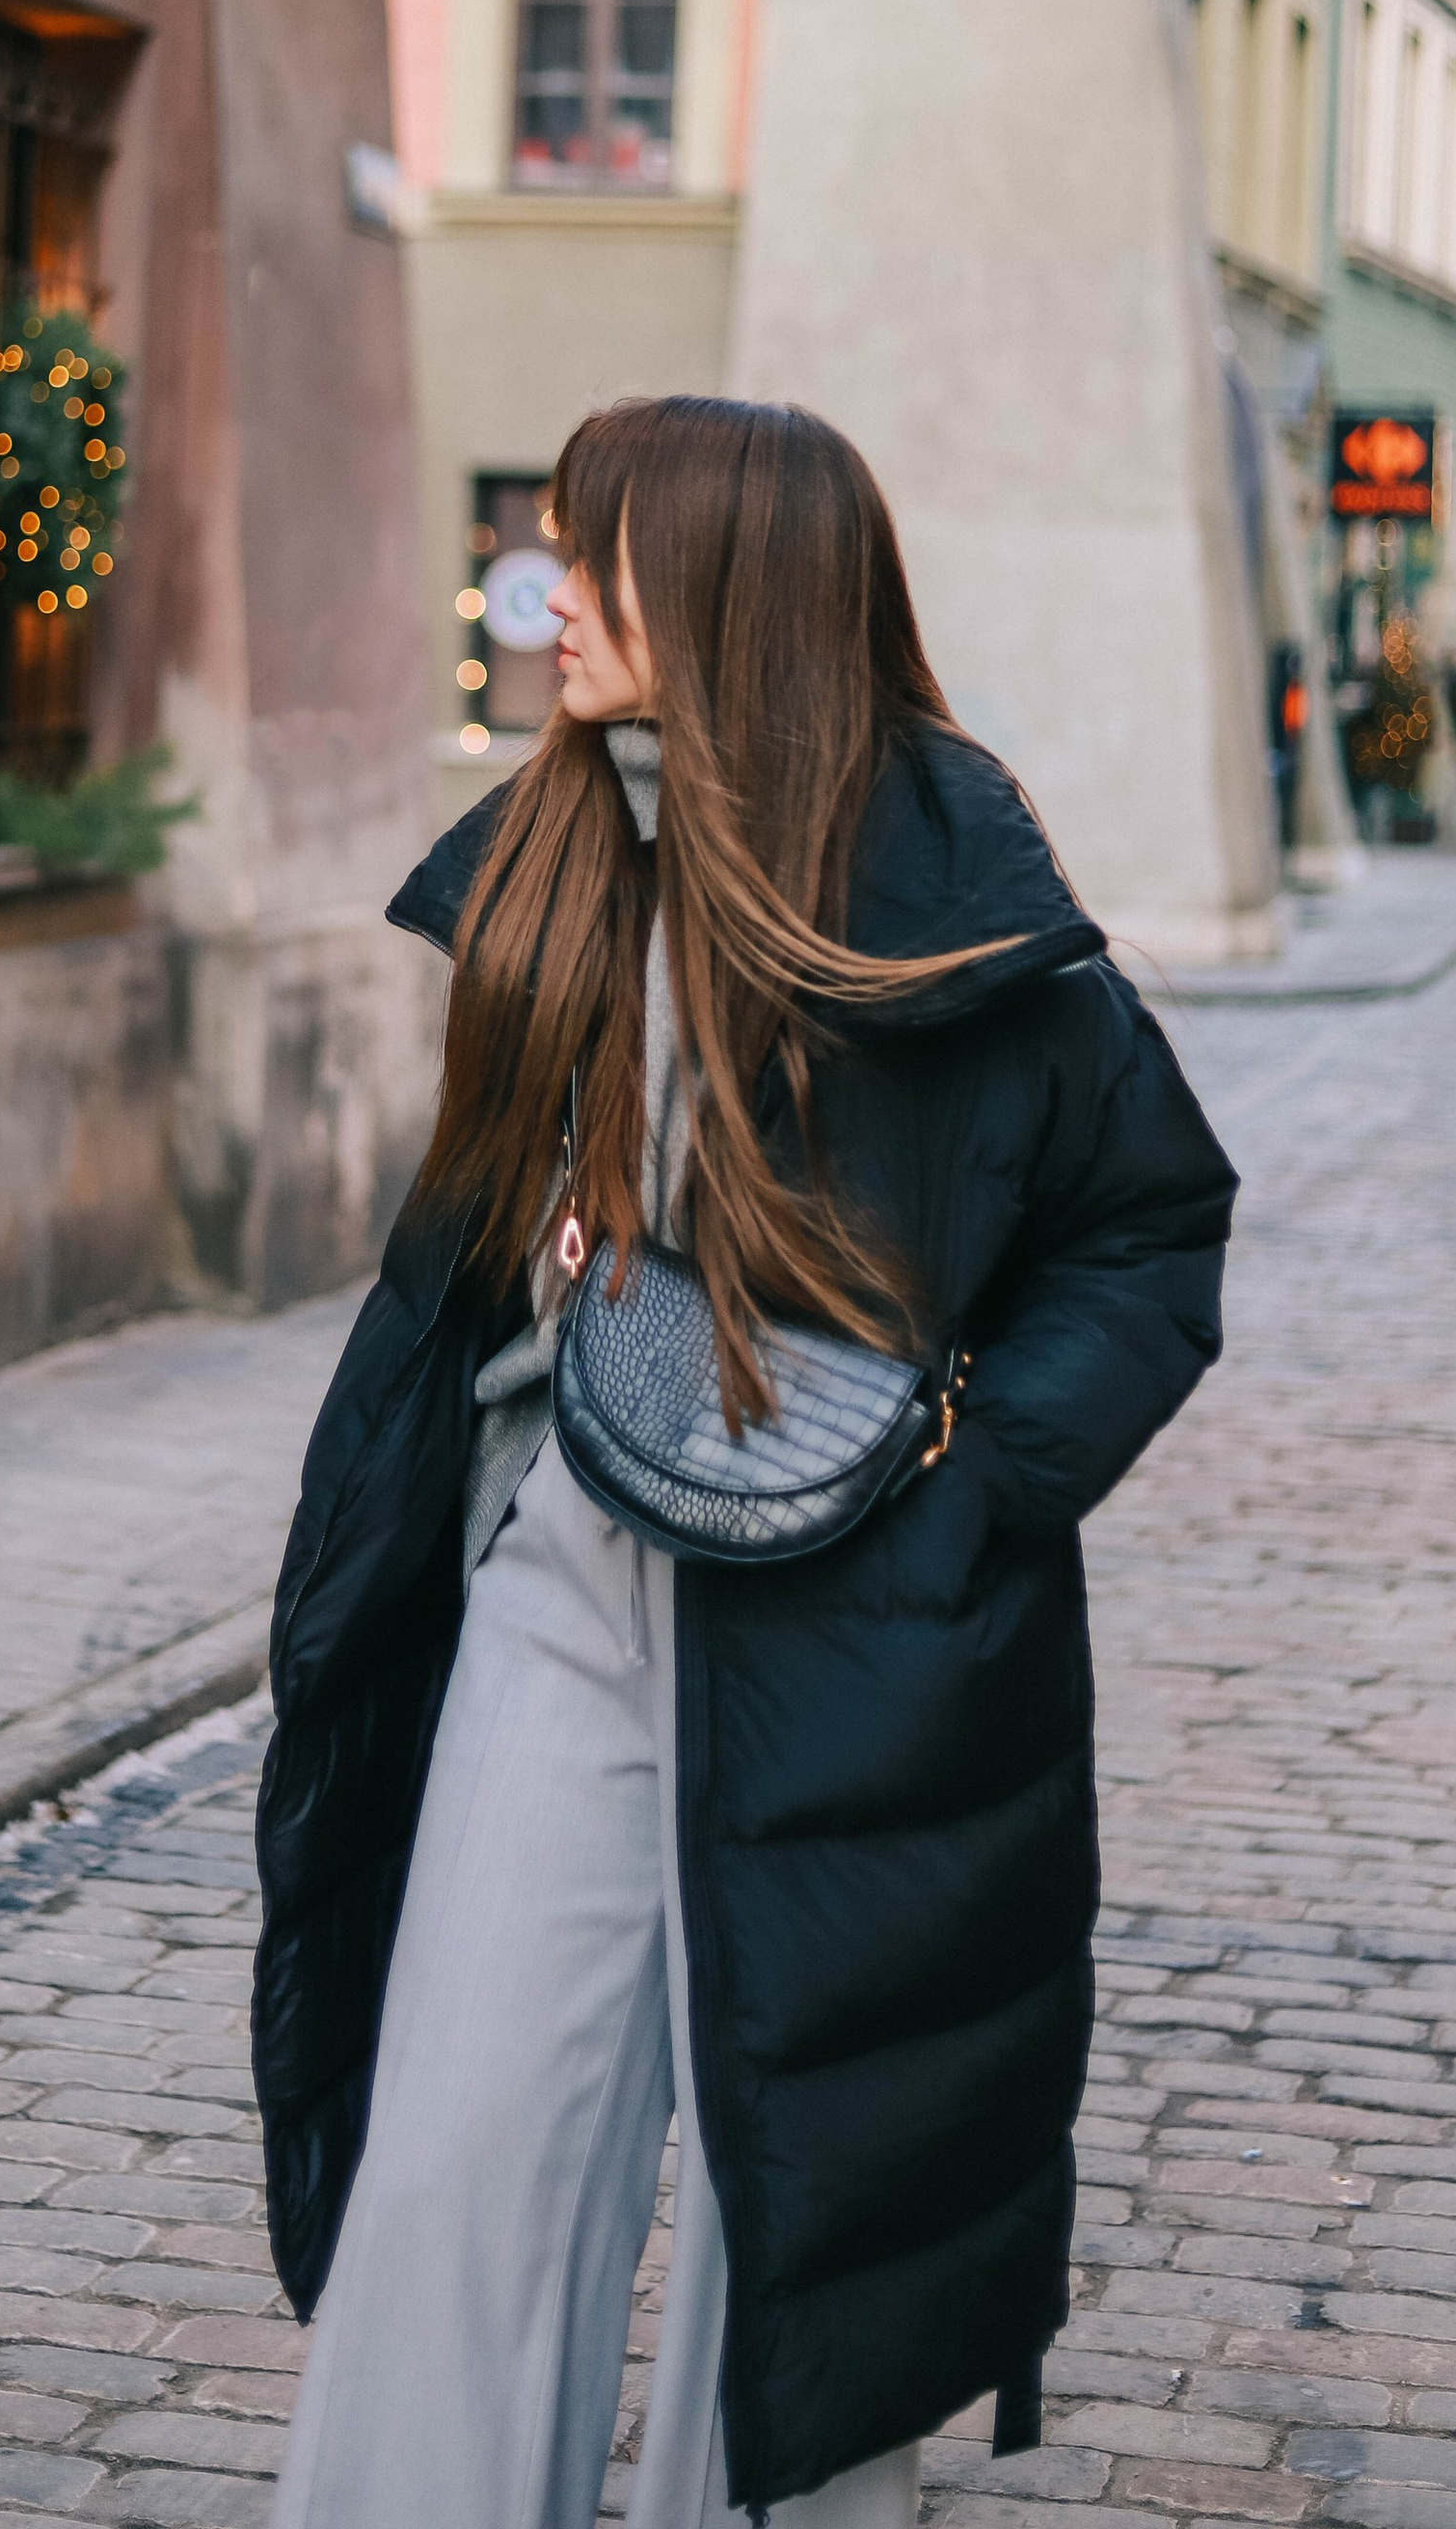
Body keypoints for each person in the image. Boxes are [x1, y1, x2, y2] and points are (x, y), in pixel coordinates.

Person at [253, 395, 1237, 2528]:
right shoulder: (550, 852)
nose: (544, 585)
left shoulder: (952, 898)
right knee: (456, 2169)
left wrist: (977, 1481)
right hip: (561, 1586)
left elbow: (1148, 1225)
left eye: (587, 549)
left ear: (719, 595)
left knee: (800, 2230)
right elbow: (477, 1252)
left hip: (858, 1628)